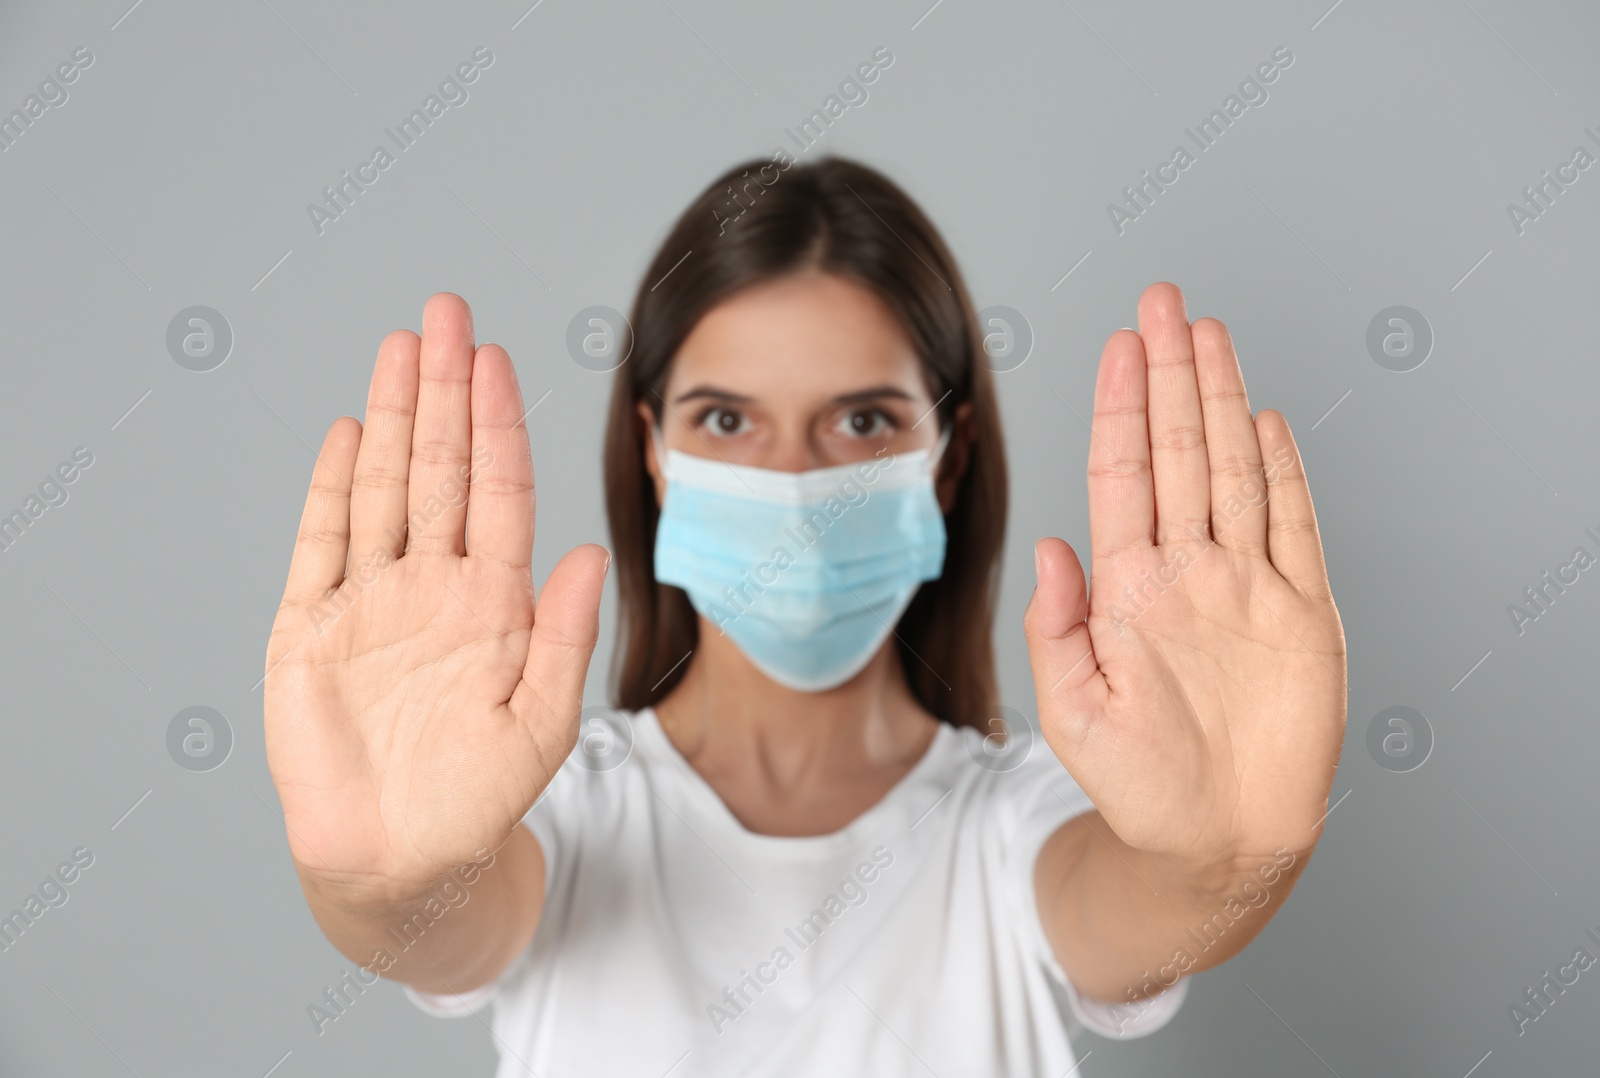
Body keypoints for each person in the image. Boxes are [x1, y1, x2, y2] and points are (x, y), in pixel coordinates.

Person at [263, 155, 1347, 1076]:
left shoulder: (1019, 826)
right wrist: (380, 883)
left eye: (862, 420)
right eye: (726, 418)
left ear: (948, 454)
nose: (790, 481)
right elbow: (448, 927)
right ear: (653, 449)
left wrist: (1218, 862)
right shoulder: (557, 809)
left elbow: (1143, 904)